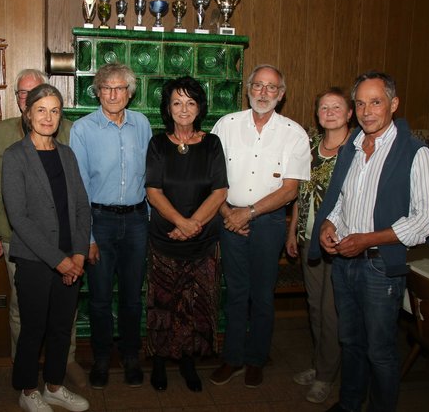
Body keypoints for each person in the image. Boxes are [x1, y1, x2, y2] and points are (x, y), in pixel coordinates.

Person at [309, 71, 429, 412]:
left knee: (380, 351)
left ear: (393, 105)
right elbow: (341, 201)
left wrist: (368, 239)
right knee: (350, 341)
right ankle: (351, 404)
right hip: (344, 262)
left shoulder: (415, 152)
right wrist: (328, 225)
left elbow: (427, 219)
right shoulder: (352, 148)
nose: (367, 111)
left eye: (376, 102)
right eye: (361, 103)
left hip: (379, 266)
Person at [209, 64, 311, 388]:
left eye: (271, 88)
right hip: (229, 219)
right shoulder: (225, 125)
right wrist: (227, 213)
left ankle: (256, 359)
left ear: (281, 95)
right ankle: (233, 357)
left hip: (268, 223)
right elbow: (211, 178)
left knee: (263, 295)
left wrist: (248, 213)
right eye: (258, 86)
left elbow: (290, 189)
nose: (263, 93)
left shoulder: (294, 133)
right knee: (236, 293)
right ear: (248, 89)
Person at [0, 69, 86, 387]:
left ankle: (55, 386)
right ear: (28, 114)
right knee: (33, 329)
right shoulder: (16, 156)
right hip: (34, 260)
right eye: (41, 110)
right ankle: (27, 389)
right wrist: (60, 261)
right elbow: (18, 218)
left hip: (72, 256)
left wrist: (79, 256)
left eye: (54, 111)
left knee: (60, 327)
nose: (48, 117)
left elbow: (82, 208)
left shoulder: (67, 154)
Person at [70, 62, 152, 389]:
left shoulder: (142, 124)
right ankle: (102, 357)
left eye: (120, 88)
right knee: (101, 297)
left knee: (133, 296)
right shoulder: (83, 130)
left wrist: (147, 220)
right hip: (99, 221)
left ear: (130, 93)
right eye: (107, 88)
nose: (113, 94)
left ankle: (131, 355)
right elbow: (79, 189)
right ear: (98, 92)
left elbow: (149, 177)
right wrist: (87, 236)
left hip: (135, 221)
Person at [145, 76, 228, 392]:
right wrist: (181, 223)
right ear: (168, 108)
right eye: (177, 102)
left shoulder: (212, 144)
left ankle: (188, 360)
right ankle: (158, 360)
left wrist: (193, 225)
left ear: (199, 107)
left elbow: (219, 192)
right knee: (162, 303)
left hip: (203, 241)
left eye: (190, 102)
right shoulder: (157, 143)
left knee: (193, 305)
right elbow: (153, 192)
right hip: (165, 239)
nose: (183, 109)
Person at [285, 87, 352, 403]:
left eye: (336, 106)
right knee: (315, 307)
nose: (330, 112)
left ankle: (326, 375)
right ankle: (320, 363)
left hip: (339, 241)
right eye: (324, 107)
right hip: (308, 237)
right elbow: (301, 192)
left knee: (331, 310)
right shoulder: (310, 147)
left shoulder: (355, 150)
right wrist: (291, 234)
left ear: (349, 113)